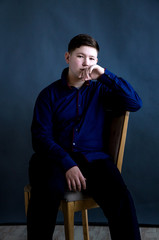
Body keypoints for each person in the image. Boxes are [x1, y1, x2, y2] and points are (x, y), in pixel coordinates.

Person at [27, 34, 142, 240]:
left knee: (120, 197)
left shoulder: (102, 90)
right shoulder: (48, 95)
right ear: (67, 57)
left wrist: (105, 74)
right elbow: (40, 137)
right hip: (54, 159)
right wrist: (67, 164)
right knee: (46, 189)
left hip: (93, 159)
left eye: (92, 59)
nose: (86, 64)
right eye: (80, 57)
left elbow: (135, 103)